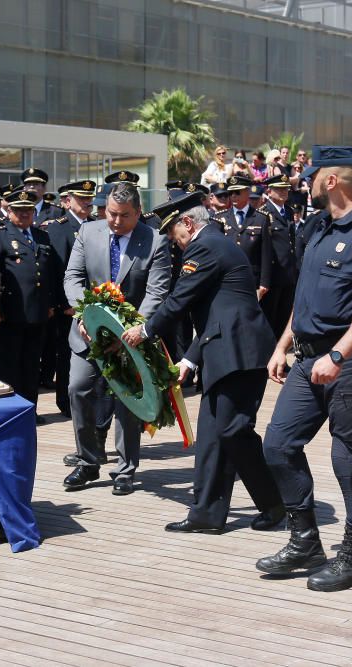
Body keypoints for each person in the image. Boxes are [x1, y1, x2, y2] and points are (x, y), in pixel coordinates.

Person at [255, 145, 352, 592]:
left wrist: (337, 355)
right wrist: (283, 344)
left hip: (349, 362)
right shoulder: (317, 227)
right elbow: (305, 297)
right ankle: (305, 541)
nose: (305, 182)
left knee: (350, 458)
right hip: (306, 359)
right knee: (278, 445)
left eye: (312, 175)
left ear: (331, 181)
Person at [122, 192, 285, 533]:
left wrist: (146, 330)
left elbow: (180, 300)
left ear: (187, 223)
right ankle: (206, 514)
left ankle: (277, 503)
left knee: (233, 430)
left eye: (173, 233)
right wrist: (190, 360)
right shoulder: (216, 243)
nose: (172, 241)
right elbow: (215, 314)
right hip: (224, 352)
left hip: (240, 355)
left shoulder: (205, 246)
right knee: (213, 435)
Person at [62, 182, 171, 496]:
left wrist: (129, 332)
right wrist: (84, 316)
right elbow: (74, 276)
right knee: (78, 389)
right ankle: (87, 460)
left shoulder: (155, 242)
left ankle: (125, 469)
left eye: (125, 215)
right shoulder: (88, 232)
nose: (116, 221)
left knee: (126, 400)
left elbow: (156, 293)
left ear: (138, 212)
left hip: (130, 339)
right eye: (111, 213)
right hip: (87, 334)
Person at [0, 190, 61, 411]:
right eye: (18, 210)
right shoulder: (0, 236)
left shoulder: (41, 236)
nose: (24, 214)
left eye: (28, 210)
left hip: (39, 312)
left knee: (32, 365)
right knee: (11, 365)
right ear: (8, 210)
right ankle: (12, 410)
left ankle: (30, 409)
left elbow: (50, 273)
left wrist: (51, 303)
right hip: (12, 313)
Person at [44, 180, 97, 417]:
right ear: (68, 201)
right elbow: (57, 269)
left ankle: (92, 398)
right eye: (81, 198)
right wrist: (64, 304)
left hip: (95, 303)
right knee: (67, 355)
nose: (87, 202)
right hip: (71, 306)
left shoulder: (96, 225)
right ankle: (66, 401)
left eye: (89, 198)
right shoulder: (59, 227)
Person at [259, 174, 297, 334]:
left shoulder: (288, 211)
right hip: (273, 275)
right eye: (279, 189)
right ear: (270, 191)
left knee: (284, 317)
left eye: (285, 189)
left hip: (288, 274)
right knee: (270, 318)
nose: (283, 192)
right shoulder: (263, 213)